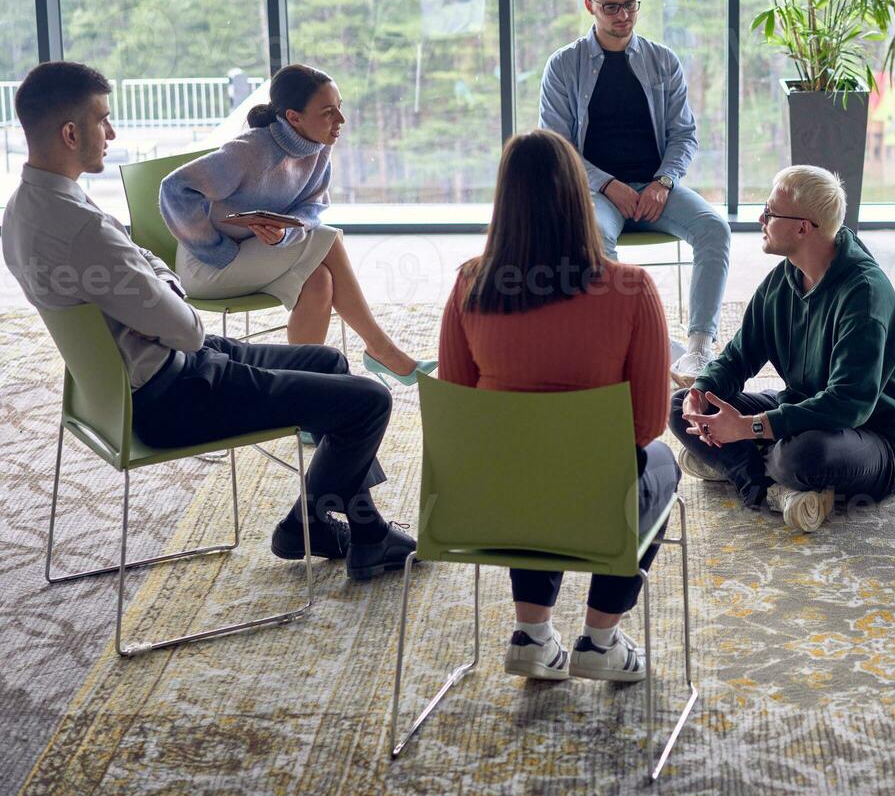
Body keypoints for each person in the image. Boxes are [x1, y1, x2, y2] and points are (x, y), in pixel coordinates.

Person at [2, 61, 415, 580]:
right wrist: (163, 281)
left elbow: (145, 270)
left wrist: (153, 275)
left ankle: (353, 528)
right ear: (69, 132)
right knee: (370, 402)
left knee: (330, 360)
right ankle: (310, 523)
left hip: (142, 375)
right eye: (103, 120)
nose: (112, 132)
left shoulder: (25, 209)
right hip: (173, 394)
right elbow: (187, 328)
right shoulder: (83, 229)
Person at [437, 128, 679, 684]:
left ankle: (531, 634)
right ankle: (600, 639)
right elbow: (644, 426)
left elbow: (458, 411)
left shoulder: (470, 285)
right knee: (660, 462)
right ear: (578, 197)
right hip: (595, 502)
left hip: (491, 506)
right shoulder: (631, 289)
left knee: (522, 455)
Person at [669, 165, 895, 533]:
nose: (761, 217)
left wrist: (748, 428)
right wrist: (702, 390)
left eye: (770, 211)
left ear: (803, 227)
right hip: (803, 410)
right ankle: (767, 488)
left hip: (880, 439)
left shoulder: (865, 295)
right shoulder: (784, 277)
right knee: (681, 407)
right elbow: (738, 356)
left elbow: (848, 405)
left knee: (800, 456)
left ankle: (734, 463)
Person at [160, 64, 434, 384]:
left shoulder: (319, 148)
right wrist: (214, 247)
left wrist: (286, 234)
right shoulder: (249, 151)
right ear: (293, 117)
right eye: (329, 112)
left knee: (319, 281)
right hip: (208, 267)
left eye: (340, 109)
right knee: (327, 240)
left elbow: (314, 207)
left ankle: (305, 395)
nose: (341, 121)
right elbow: (175, 188)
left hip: (255, 255)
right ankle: (381, 349)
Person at [539, 0, 731, 386]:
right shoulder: (563, 65)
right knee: (597, 237)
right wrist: (608, 185)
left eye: (630, 4)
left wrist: (663, 183)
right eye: (611, 7)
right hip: (597, 192)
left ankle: (699, 347)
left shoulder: (663, 60)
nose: (623, 16)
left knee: (715, 229)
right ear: (590, 7)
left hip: (656, 186)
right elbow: (558, 145)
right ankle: (640, 341)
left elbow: (684, 134)